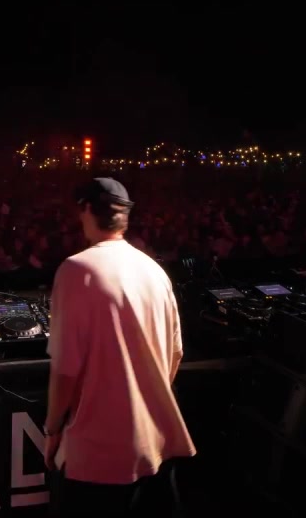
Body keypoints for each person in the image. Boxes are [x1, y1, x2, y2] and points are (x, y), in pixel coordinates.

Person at [44, 177, 195, 518]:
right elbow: (175, 354)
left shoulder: (76, 270)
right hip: (155, 449)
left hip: (95, 457)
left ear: (86, 210)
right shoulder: (154, 271)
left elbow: (66, 369)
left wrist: (52, 430)